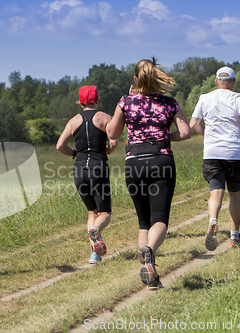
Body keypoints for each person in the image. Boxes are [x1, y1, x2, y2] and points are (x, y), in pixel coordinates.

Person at [106, 57, 191, 290]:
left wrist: (124, 108)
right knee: (160, 219)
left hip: (134, 162)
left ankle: (150, 278)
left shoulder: (126, 101)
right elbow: (185, 132)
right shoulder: (169, 102)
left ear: (136, 79)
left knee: (144, 221)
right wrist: (164, 136)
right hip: (161, 161)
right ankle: (149, 252)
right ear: (156, 78)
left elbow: (112, 132)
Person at [190, 66, 240, 251]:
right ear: (233, 82)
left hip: (212, 153)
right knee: (234, 195)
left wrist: (207, 135)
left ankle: (213, 219)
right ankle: (234, 237)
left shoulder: (204, 98)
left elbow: (194, 124)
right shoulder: (238, 98)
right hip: (234, 153)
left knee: (215, 193)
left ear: (216, 81)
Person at [56, 86, 118, 265]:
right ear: (96, 99)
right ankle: (96, 230)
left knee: (92, 211)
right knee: (104, 213)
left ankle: (94, 255)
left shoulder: (73, 121)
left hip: (79, 170)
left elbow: (60, 146)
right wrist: (108, 148)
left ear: (80, 101)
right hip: (98, 169)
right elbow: (113, 143)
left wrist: (75, 153)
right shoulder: (105, 118)